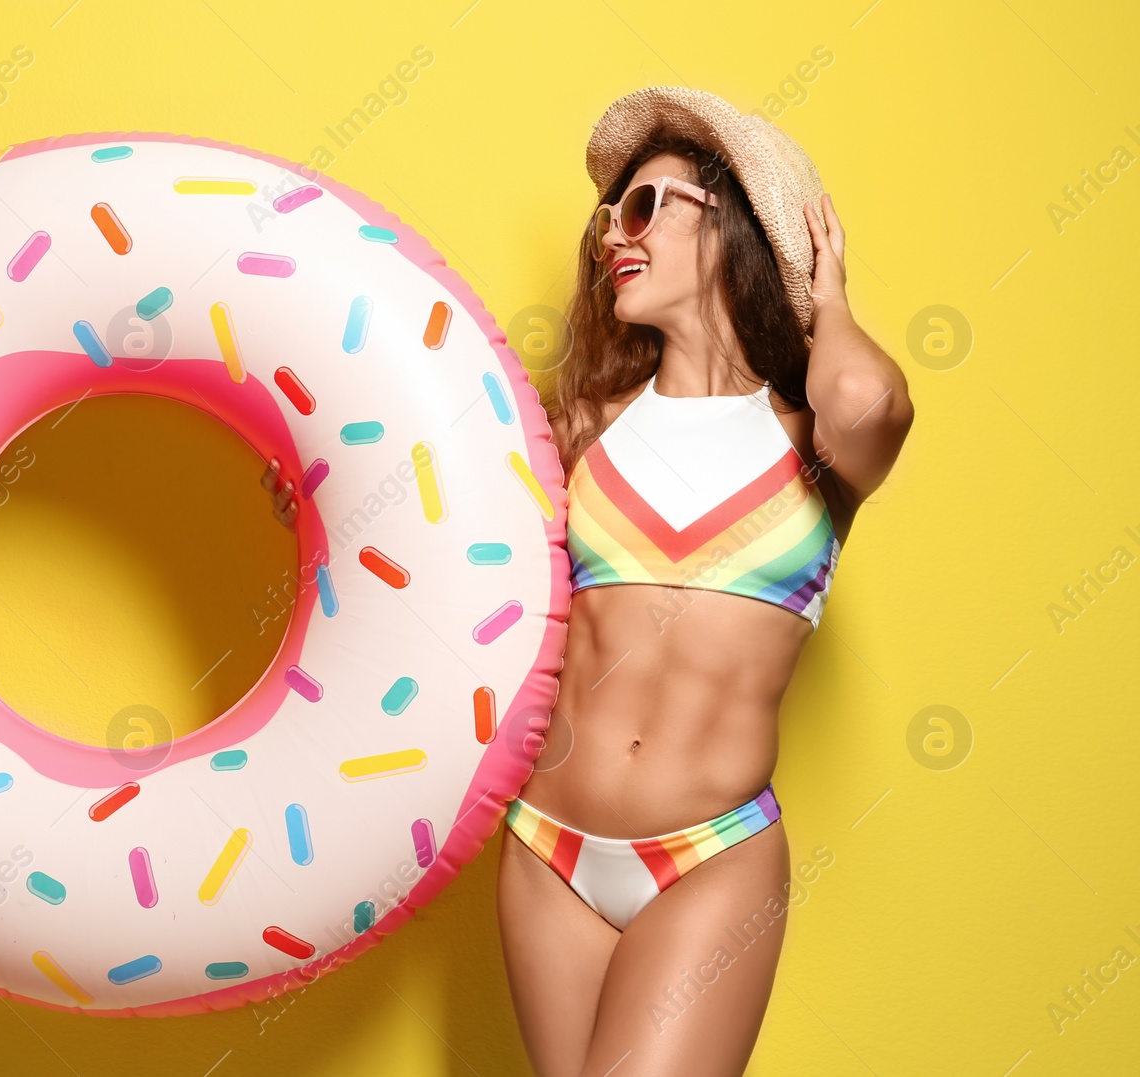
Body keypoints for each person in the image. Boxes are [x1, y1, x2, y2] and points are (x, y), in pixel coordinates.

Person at [264, 85, 912, 1076]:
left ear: (733, 227)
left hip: (712, 857)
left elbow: (867, 397)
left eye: (648, 204)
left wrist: (823, 296)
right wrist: (305, 472)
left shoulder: (810, 446)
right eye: (608, 214)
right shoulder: (575, 431)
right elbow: (414, 521)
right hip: (544, 850)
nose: (615, 230)